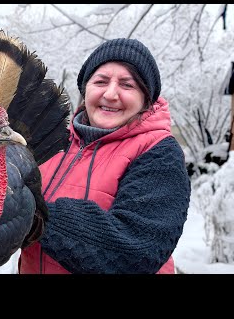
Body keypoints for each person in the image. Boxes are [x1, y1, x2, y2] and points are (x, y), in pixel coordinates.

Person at [19, 38, 191, 274]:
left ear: (145, 99)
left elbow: (135, 252)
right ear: (85, 89)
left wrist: (37, 217)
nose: (111, 94)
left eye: (127, 85)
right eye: (100, 81)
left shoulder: (160, 152)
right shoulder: (52, 141)